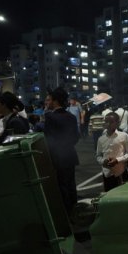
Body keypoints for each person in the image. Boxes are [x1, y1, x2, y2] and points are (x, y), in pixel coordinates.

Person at [44, 87, 80, 216]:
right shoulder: (70, 116)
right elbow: (76, 137)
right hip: (70, 155)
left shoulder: (50, 117)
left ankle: (66, 213)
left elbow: (49, 141)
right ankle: (74, 210)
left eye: (50, 100)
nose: (48, 102)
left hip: (58, 157)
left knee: (62, 186)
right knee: (71, 184)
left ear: (55, 101)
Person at [96, 112, 128, 191]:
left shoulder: (124, 136)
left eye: (111, 122)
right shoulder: (101, 139)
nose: (108, 124)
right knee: (108, 194)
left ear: (118, 123)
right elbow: (98, 155)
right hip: (107, 173)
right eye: (106, 121)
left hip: (121, 172)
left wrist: (117, 160)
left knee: (122, 195)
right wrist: (103, 161)